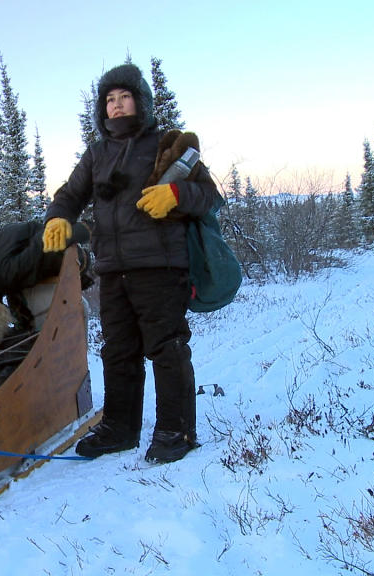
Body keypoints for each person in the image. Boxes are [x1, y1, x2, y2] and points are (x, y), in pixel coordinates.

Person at [41, 62, 222, 463]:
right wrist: (57, 216)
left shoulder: (166, 145)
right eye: (109, 100)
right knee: (118, 350)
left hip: (161, 265)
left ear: (141, 101)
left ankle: (176, 431)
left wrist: (176, 194)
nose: (117, 106)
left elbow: (209, 196)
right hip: (113, 268)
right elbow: (69, 194)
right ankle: (119, 429)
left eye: (124, 97)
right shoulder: (97, 155)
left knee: (166, 347)